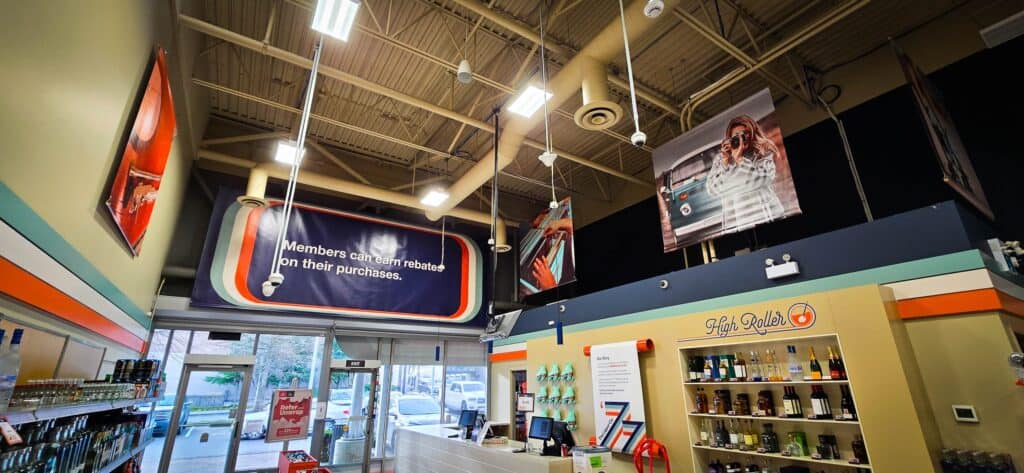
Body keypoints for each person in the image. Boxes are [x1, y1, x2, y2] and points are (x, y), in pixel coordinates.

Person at [705, 115, 785, 231]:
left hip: (768, 216)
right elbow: (713, 190)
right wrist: (726, 164)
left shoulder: (763, 152)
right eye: (736, 136)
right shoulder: (722, 158)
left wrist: (740, 160)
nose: (741, 139)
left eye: (744, 134)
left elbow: (764, 179)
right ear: (730, 138)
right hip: (737, 223)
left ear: (752, 133)